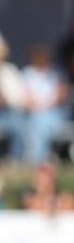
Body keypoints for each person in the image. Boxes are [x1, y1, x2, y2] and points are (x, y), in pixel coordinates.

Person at [21, 45, 70, 165]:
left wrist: (46, 106)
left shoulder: (56, 73)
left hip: (54, 113)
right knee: (39, 123)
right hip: (33, 113)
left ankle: (38, 160)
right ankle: (39, 160)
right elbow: (26, 98)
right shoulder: (27, 74)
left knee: (44, 123)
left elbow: (61, 94)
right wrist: (38, 107)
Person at [0, 32, 26, 161]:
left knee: (19, 123)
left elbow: (19, 99)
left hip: (9, 114)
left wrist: (6, 100)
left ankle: (17, 161)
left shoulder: (9, 71)